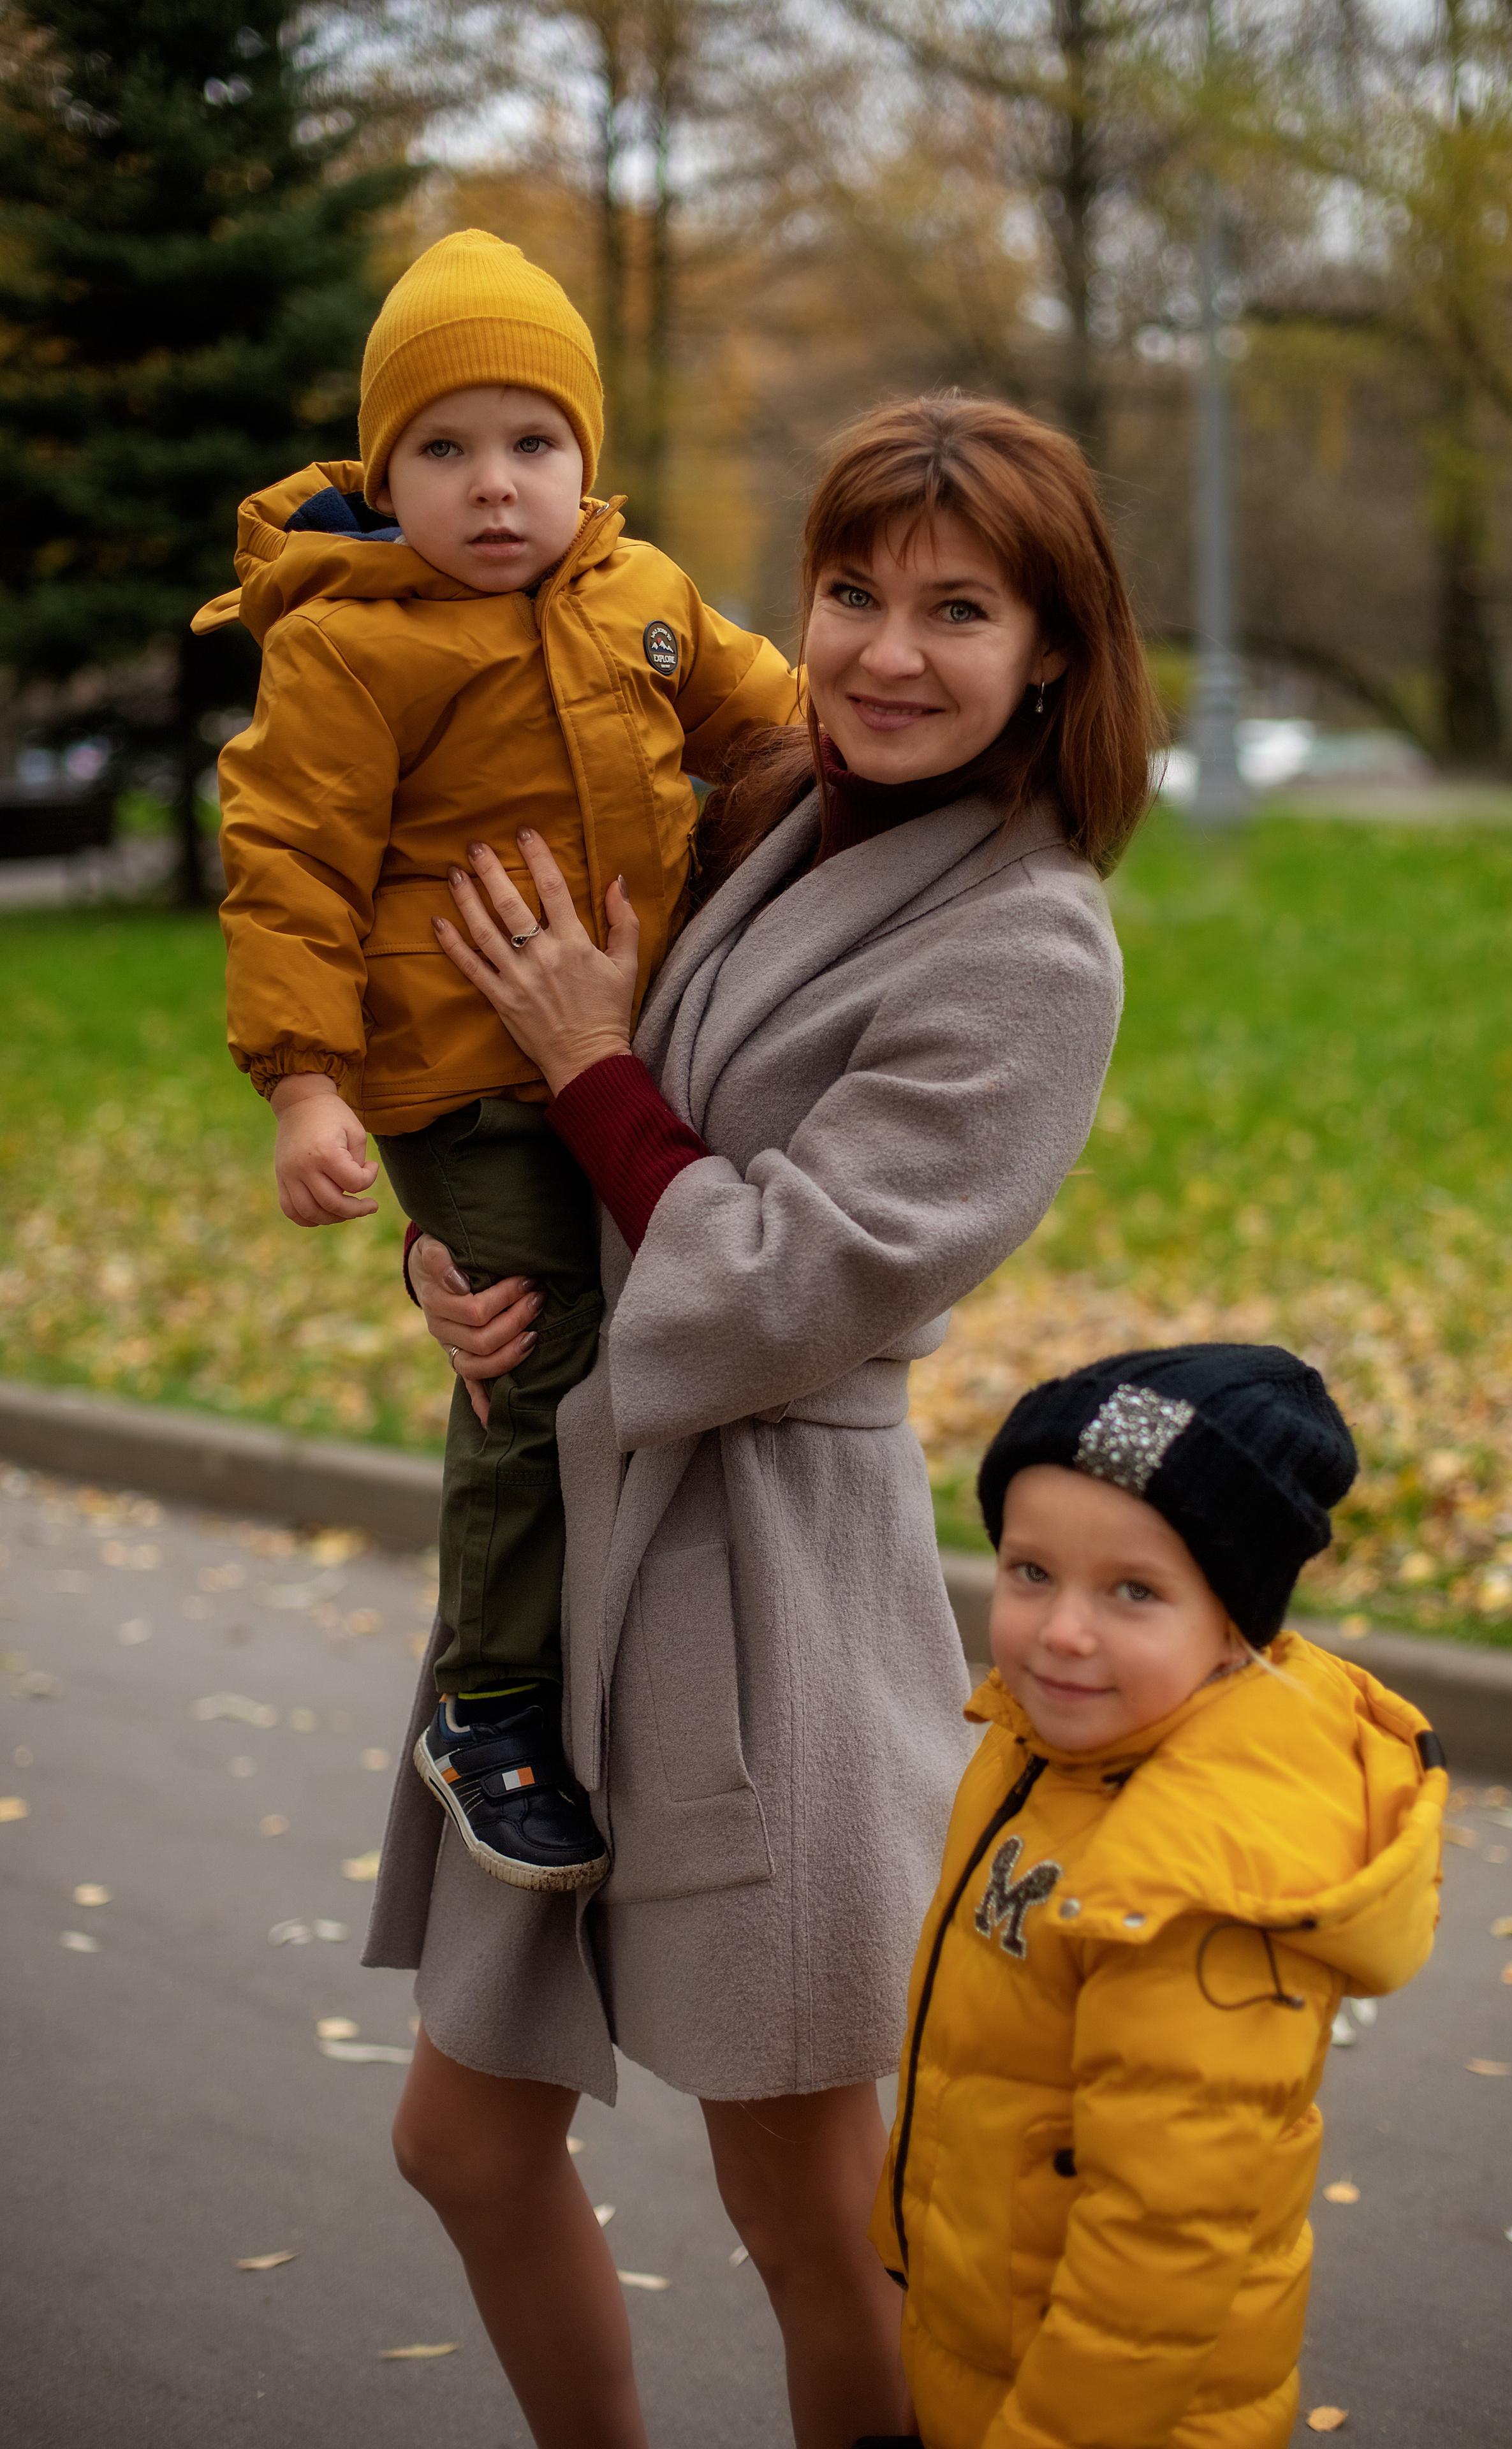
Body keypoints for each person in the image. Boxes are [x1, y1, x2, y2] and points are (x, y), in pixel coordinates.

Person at [363, 392, 1164, 2449]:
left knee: (810, 2216)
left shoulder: (1032, 944)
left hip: (768, 1604)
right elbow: (547, 1143)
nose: (887, 654)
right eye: (851, 593)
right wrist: (461, 1267)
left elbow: (796, 1282)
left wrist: (590, 1064)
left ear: (1051, 652)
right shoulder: (761, 812)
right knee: (461, 2146)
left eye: (958, 610)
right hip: (571, 1557)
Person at [195, 228, 798, 1890]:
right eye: (443, 449)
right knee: (532, 1362)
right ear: (384, 477)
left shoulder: (643, 597)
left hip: (617, 1058)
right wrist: (304, 1084)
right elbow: (291, 863)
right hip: (458, 1079)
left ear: (583, 458)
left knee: (623, 1320)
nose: (493, 485)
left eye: (533, 442)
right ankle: (492, 1703)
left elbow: (773, 716)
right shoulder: (351, 644)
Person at [869, 1344, 1449, 2449]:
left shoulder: (1200, 1884)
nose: (1063, 1629)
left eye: (1134, 1591)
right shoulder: (1048, 1742)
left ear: (1237, 1623)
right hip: (992, 2329)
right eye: (1031, 1572)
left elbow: (1158, 2254)